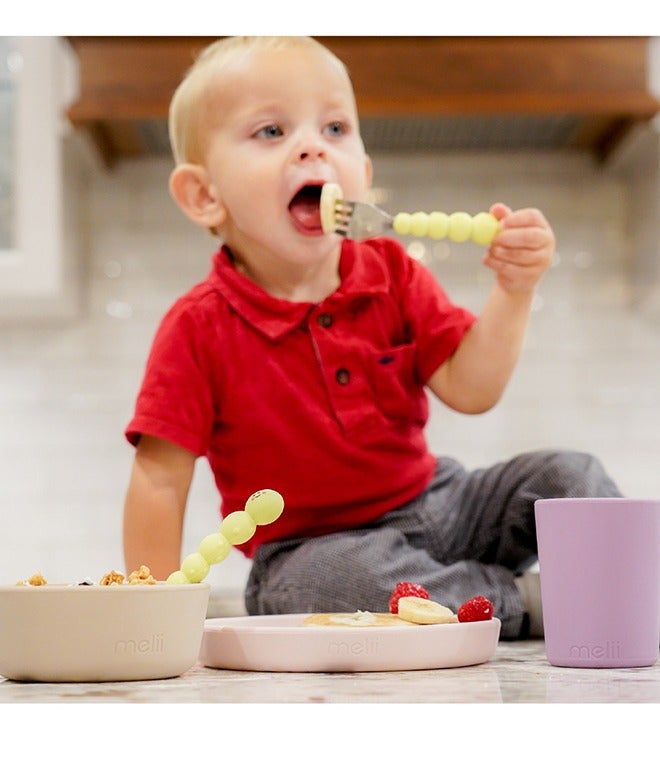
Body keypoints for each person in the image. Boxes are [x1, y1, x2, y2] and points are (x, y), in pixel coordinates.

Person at [122, 36, 621, 639]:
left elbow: (471, 388)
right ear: (205, 196)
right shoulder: (198, 327)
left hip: (443, 503)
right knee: (323, 588)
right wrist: (148, 626)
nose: (313, 146)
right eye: (271, 132)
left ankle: (618, 594)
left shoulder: (391, 270)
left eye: (334, 128)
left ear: (364, 173)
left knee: (571, 476)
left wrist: (514, 292)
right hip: (311, 547)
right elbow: (158, 479)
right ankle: (524, 602)